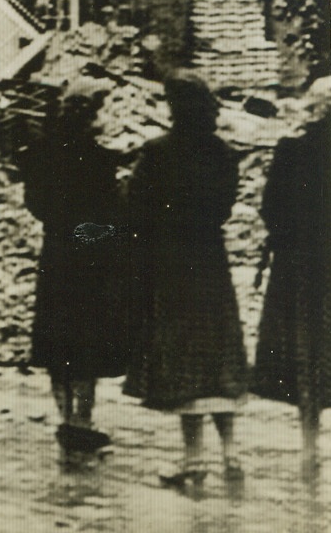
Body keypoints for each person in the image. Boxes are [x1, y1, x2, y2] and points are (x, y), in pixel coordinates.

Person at [124, 72, 247, 491]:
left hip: (172, 264)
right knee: (219, 352)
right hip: (211, 261)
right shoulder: (224, 154)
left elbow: (135, 208)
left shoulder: (158, 153)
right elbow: (226, 209)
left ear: (173, 107)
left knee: (184, 357)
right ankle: (231, 451)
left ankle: (193, 459)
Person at [18, 76, 129, 468]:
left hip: (56, 255)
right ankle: (82, 420)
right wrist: (99, 232)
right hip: (89, 262)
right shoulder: (99, 159)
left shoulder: (43, 152)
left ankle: (66, 418)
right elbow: (109, 217)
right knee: (86, 342)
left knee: (56, 340)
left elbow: (35, 203)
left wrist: (64, 228)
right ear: (92, 114)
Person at [252, 77, 331, 480]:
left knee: (305, 352)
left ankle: (309, 444)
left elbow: (270, 208)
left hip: (298, 266)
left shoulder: (292, 150)